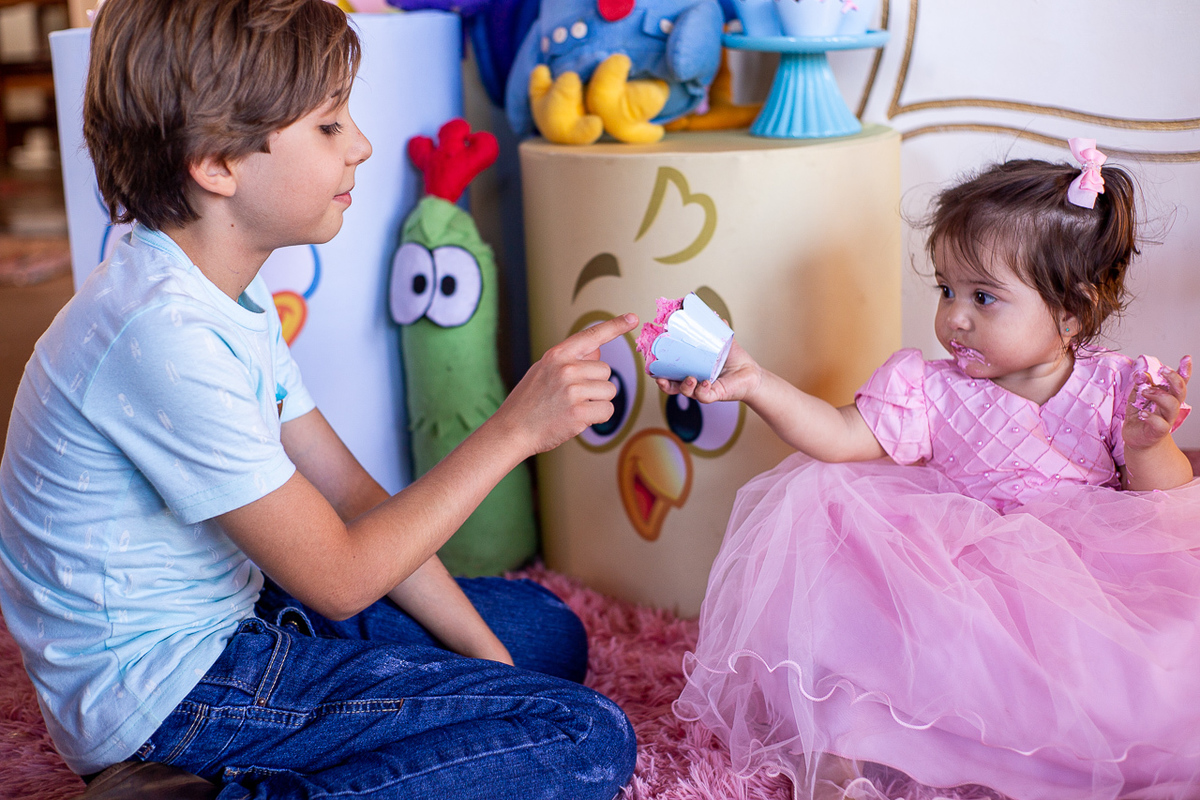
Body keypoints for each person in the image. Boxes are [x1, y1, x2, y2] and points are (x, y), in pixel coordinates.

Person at [0, 1, 639, 797]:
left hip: (247, 612)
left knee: (545, 634)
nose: (362, 145)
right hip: (168, 697)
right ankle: (178, 787)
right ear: (217, 162)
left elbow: (353, 496)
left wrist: (494, 679)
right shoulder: (158, 334)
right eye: (330, 125)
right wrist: (513, 430)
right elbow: (340, 578)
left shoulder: (222, 283)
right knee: (583, 733)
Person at [666, 141, 1199, 800]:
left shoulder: (1116, 388)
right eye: (946, 289)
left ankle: (1054, 754)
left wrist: (1149, 446)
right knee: (836, 540)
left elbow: (1167, 509)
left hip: (1075, 572)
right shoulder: (929, 389)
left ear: (1070, 312)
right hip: (953, 562)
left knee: (1153, 666)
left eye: (984, 296)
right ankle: (844, 749)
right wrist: (757, 385)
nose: (954, 317)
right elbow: (837, 436)